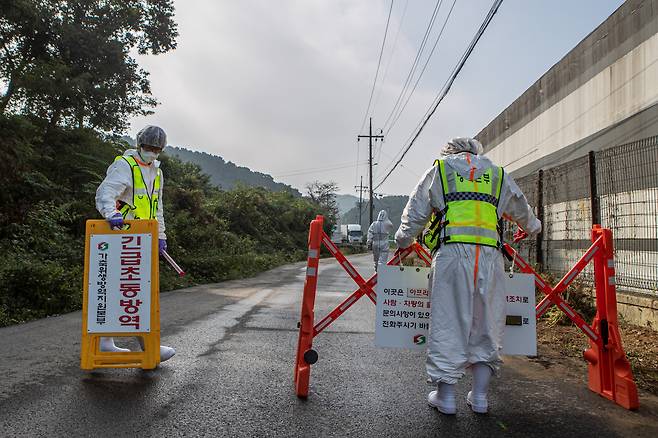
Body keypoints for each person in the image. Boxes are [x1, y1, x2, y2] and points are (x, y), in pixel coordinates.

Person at [394, 137, 541, 415]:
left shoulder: (440, 169)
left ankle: (446, 398)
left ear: (449, 151)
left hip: (451, 256)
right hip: (489, 257)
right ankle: (481, 398)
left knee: (449, 322)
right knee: (486, 324)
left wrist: (403, 240)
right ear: (476, 151)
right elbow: (520, 206)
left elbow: (416, 211)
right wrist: (532, 226)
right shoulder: (496, 173)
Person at [95, 125, 175, 362]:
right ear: (140, 144)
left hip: (144, 240)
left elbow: (156, 208)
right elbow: (105, 193)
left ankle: (116, 342)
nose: (152, 152)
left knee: (133, 293)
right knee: (128, 293)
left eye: (157, 149)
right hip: (122, 238)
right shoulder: (125, 165)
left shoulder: (156, 172)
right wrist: (111, 213)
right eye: (149, 147)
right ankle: (141, 346)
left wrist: (161, 236)